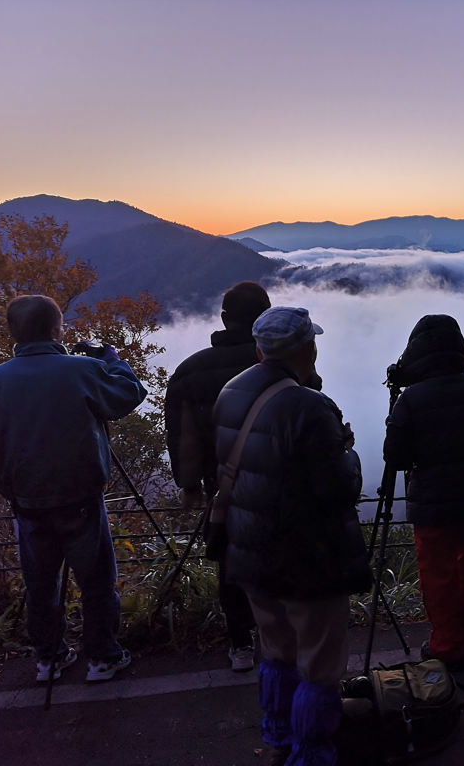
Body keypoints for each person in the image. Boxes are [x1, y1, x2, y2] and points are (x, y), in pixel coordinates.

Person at [213, 306, 371, 766]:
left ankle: (277, 733)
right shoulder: (309, 406)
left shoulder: (231, 392)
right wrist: (350, 454)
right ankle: (312, 753)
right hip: (308, 556)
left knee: (277, 649)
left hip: (250, 548)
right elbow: (338, 488)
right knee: (320, 663)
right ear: (309, 347)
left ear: (260, 349)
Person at [0, 295, 147, 683]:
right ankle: (102, 658)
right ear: (57, 329)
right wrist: (111, 358)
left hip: (27, 502)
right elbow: (128, 394)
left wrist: (11, 489)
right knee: (96, 581)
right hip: (80, 498)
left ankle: (48, 658)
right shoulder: (81, 370)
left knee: (40, 583)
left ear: (13, 333)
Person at [383, 314, 464, 668]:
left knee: (438, 574)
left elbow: (395, 457)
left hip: (432, 500)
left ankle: (447, 643)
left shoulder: (409, 400)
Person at [164, 280, 271, 671]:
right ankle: (278, 634)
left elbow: (185, 437)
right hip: (283, 486)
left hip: (223, 488)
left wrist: (189, 485)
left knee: (231, 563)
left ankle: (240, 643)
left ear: (225, 319)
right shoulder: (281, 364)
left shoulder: (190, 370)